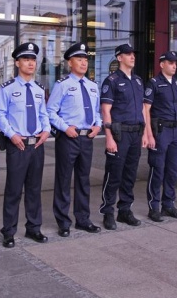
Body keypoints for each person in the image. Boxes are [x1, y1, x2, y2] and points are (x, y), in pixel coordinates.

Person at [0, 43, 50, 248]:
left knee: (35, 189)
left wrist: (46, 131)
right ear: (17, 63)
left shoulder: (38, 89)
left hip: (37, 145)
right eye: (26, 59)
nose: (30, 63)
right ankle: (8, 231)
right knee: (14, 189)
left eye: (33, 60)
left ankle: (34, 228)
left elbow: (43, 114)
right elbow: (0, 114)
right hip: (17, 145)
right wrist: (11, 134)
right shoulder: (8, 89)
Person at [47, 43, 102, 237]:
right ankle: (63, 221)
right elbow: (50, 111)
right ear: (70, 63)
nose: (83, 63)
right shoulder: (62, 85)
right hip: (68, 138)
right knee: (63, 180)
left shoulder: (93, 86)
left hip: (87, 138)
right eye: (79, 59)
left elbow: (96, 112)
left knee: (83, 180)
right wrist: (64, 127)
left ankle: (83, 219)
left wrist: (98, 125)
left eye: (86, 60)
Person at [98, 44, 147, 230]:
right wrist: (109, 137)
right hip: (119, 134)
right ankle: (108, 212)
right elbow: (105, 111)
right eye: (128, 54)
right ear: (119, 58)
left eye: (133, 53)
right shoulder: (111, 81)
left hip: (136, 132)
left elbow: (142, 108)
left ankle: (125, 210)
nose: (132, 56)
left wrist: (145, 133)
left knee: (130, 174)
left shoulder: (138, 80)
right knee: (114, 174)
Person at [143, 51, 177, 222]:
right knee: (157, 169)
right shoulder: (154, 83)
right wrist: (148, 134)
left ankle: (168, 204)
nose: (174, 65)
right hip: (160, 131)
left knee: (172, 171)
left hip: (176, 131)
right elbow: (145, 109)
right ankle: (154, 207)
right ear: (162, 65)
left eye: (175, 63)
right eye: (170, 63)